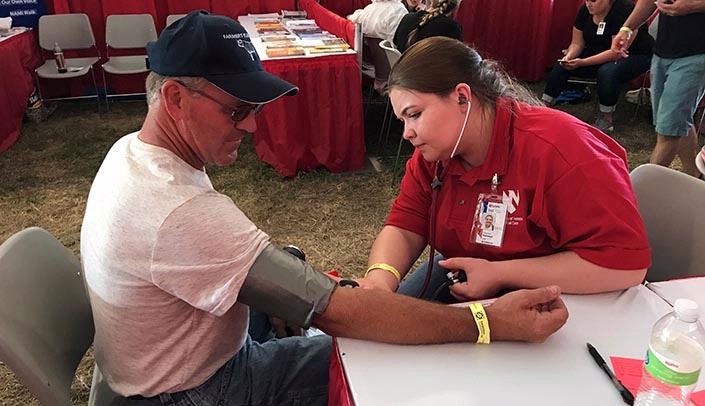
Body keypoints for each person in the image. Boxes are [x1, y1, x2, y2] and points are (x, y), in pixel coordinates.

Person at [80, 11, 569, 405]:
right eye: (237, 110)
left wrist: (285, 285)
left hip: (161, 363)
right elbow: (337, 312)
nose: (251, 128)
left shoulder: (134, 152)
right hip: (194, 389)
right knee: (373, 355)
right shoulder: (176, 208)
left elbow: (230, 268)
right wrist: (487, 323)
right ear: (174, 98)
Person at [357, 37, 650, 304]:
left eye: (415, 115)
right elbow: (407, 225)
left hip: (556, 294)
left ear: (462, 97)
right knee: (380, 331)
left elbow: (624, 267)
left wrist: (501, 273)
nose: (407, 133)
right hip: (467, 272)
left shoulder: (561, 150)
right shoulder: (435, 154)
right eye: (402, 120)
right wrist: (380, 279)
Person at [612, 0, 705, 177]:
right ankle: (696, 177)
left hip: (697, 53)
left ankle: (639, 195)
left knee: (668, 132)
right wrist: (627, 29)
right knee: (675, 120)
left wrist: (692, 6)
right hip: (663, 51)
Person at [541, 0, 653, 134]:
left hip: (633, 54)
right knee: (562, 64)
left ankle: (606, 119)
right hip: (599, 51)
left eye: (593, 0)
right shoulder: (585, 11)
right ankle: (544, 106)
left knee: (607, 72)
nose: (589, 4)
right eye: (587, 0)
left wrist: (583, 62)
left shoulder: (624, 9)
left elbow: (616, 52)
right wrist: (569, 56)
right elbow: (577, 43)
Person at [348, 0, 409, 93]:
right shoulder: (398, 10)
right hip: (396, 73)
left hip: (373, 67)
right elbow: (399, 44)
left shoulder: (369, 10)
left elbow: (350, 20)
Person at [393, 0, 462, 53]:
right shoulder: (451, 27)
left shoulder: (407, 18)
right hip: (429, 71)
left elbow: (396, 44)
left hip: (404, 69)